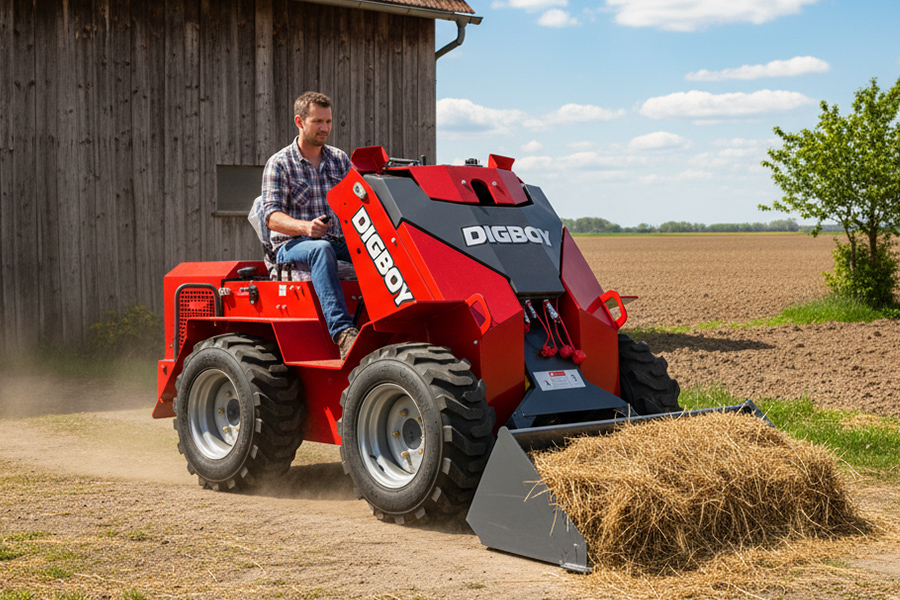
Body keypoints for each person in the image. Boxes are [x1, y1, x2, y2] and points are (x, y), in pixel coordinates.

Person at [261, 91, 358, 360]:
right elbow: (271, 217)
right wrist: (306, 228)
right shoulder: (280, 164)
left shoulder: (339, 160)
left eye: (328, 121)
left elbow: (358, 201)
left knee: (380, 252)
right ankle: (343, 332)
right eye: (317, 121)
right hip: (292, 246)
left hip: (336, 242)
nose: (325, 128)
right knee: (320, 249)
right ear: (299, 122)